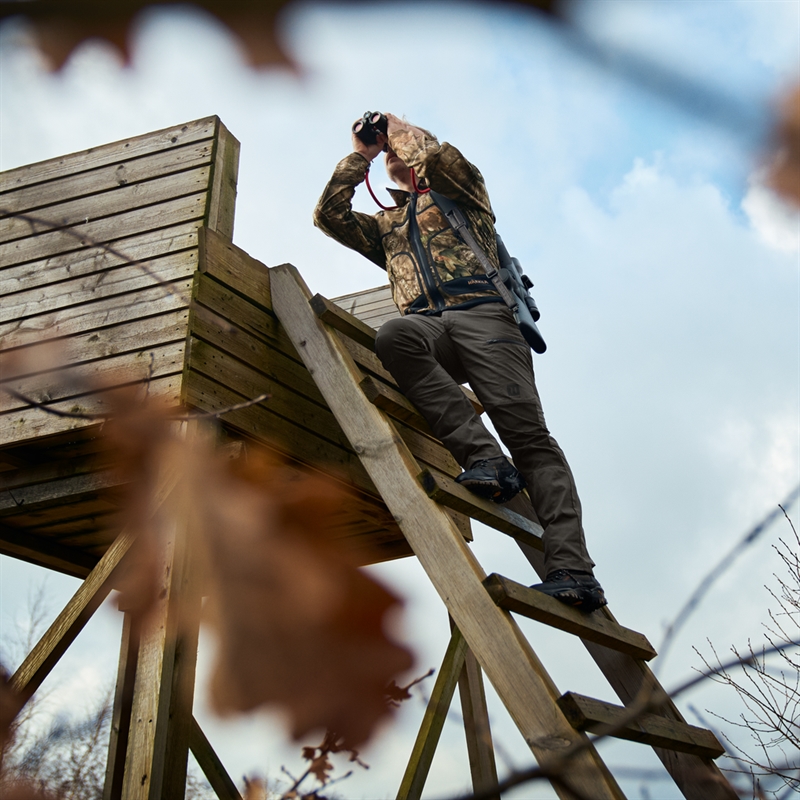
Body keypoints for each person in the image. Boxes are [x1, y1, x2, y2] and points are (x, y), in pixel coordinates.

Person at [313, 113, 605, 612]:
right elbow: (329, 216)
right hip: (430, 324)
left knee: (530, 439)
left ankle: (574, 571)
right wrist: (360, 155)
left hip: (486, 318)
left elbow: (439, 160)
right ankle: (485, 459)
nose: (393, 155)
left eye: (399, 149)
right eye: (386, 155)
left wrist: (402, 129)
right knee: (395, 334)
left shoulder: (463, 191)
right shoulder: (388, 227)